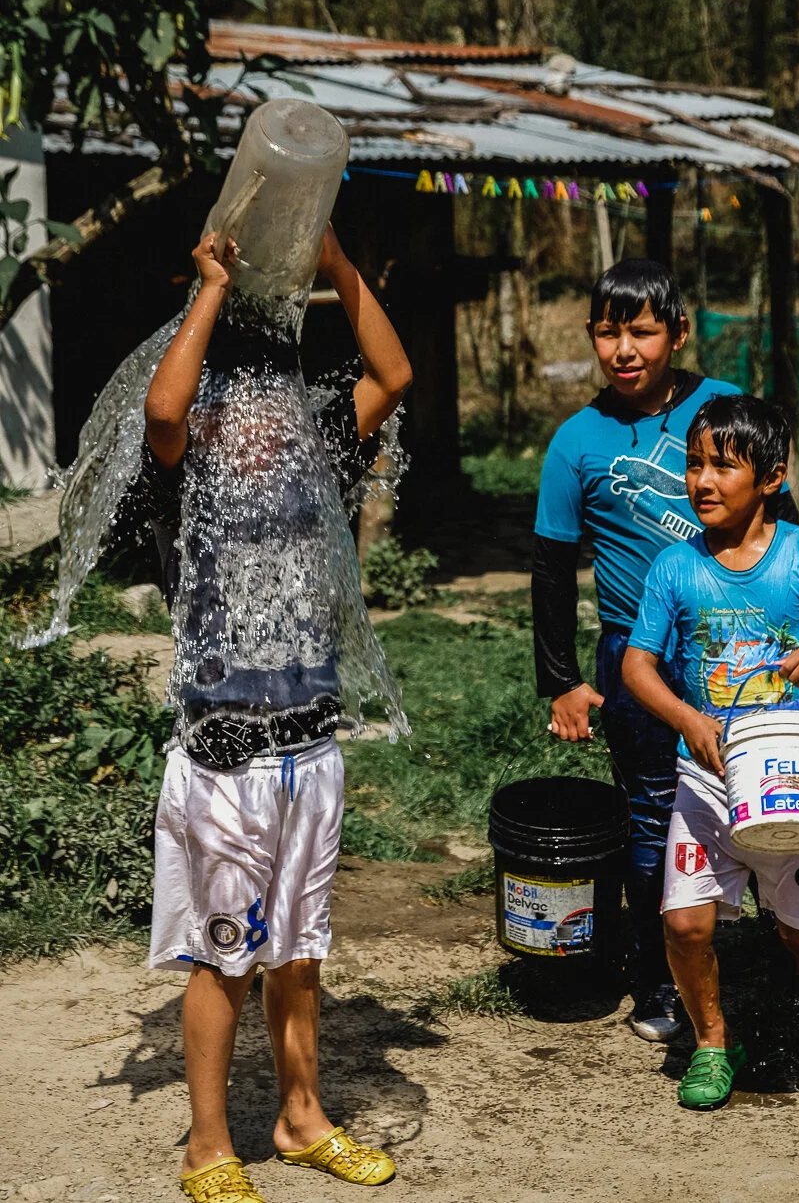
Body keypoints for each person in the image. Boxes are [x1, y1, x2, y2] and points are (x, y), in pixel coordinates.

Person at [143, 225, 411, 1201]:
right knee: (226, 962)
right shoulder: (187, 473)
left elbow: (394, 367)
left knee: (296, 954)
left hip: (310, 748)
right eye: (246, 400)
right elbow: (163, 403)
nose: (267, 419)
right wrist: (211, 284)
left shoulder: (319, 455)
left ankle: (301, 1118)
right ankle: (206, 1147)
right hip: (223, 759)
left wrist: (341, 263)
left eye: (279, 401)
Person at [531, 259, 796, 1040]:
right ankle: (659, 981)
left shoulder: (725, 409)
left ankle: (790, 948)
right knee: (654, 816)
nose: (624, 348)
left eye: (642, 330)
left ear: (677, 334)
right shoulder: (576, 441)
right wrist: (563, 681)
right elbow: (551, 566)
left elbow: (782, 526)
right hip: (634, 662)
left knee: (767, 799)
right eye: (608, 331)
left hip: (740, 649)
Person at [622, 394, 799, 1109]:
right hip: (705, 779)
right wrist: (687, 717)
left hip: (790, 778)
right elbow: (636, 665)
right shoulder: (674, 568)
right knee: (685, 925)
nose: (702, 481)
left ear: (771, 476)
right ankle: (715, 1044)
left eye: (722, 466)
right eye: (693, 464)